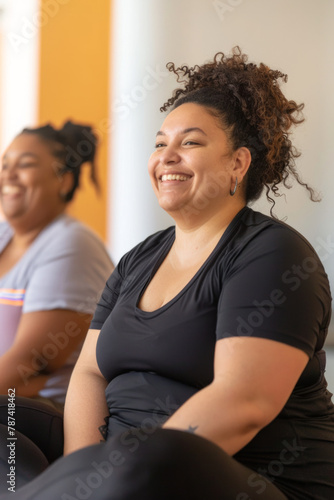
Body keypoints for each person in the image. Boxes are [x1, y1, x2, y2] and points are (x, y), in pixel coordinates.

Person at [1, 47, 333, 500]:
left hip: (237, 474)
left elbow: (244, 403)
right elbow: (90, 374)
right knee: (9, 416)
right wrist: (88, 472)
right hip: (117, 468)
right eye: (160, 144)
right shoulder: (139, 259)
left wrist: (107, 476)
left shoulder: (274, 254)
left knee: (156, 457)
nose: (167, 157)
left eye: (190, 143)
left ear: (238, 163)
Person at [0, 120, 114, 407]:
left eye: (24, 165)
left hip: (34, 417)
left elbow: (29, 367)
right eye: (4, 165)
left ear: (63, 180)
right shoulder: (4, 235)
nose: (9, 175)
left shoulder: (72, 244)